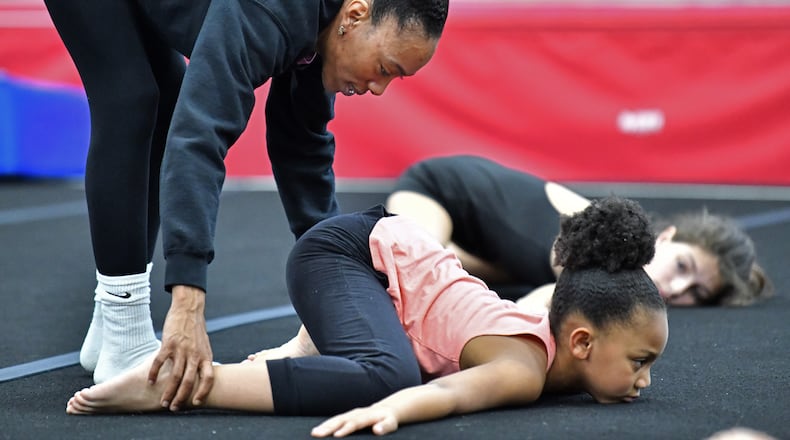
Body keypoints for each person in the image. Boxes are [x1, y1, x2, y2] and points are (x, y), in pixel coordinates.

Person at [43, 0, 450, 412]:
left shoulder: (325, 27)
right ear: (356, 15)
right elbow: (199, 139)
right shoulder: (268, 10)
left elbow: (302, 149)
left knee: (168, 93)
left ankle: (111, 325)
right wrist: (187, 307)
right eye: (385, 69)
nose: (379, 89)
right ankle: (123, 328)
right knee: (131, 99)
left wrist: (333, 291)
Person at [65, 197, 669, 439]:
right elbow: (455, 395)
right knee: (389, 373)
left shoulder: (547, 324)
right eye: (639, 362)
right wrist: (394, 407)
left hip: (377, 273)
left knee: (391, 359)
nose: (644, 380)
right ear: (582, 342)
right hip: (346, 254)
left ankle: (293, 355)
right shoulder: (525, 368)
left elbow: (545, 300)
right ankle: (181, 384)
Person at [385, 155, 773, 309]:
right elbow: (539, 306)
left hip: (481, 246)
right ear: (666, 237)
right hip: (434, 191)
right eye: (683, 268)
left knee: (456, 276)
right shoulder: (609, 242)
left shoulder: (621, 260)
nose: (674, 289)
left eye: (696, 294)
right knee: (415, 288)